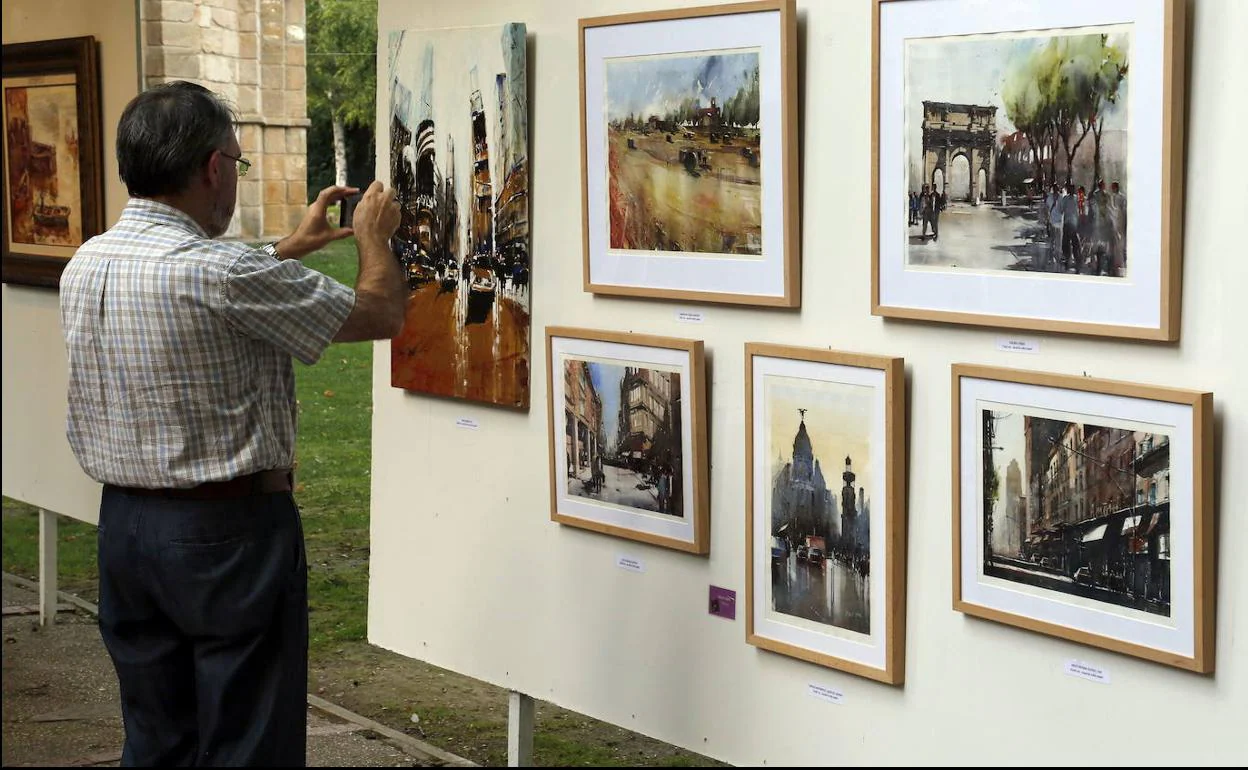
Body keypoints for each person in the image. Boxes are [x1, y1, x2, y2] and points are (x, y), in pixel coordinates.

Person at [58, 81, 405, 766]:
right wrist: (373, 238)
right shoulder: (223, 271)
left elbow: (206, 297)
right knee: (248, 741)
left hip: (126, 529)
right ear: (213, 168)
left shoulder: (87, 261)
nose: (237, 180)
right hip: (227, 538)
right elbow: (380, 314)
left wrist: (286, 249)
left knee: (157, 739)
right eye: (238, 164)